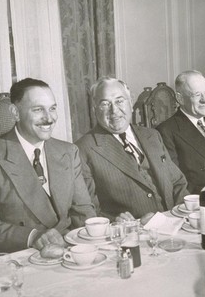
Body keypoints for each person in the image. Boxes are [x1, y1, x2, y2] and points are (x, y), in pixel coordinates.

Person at [0, 78, 97, 256]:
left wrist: (95, 242)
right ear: (15, 112)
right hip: (19, 258)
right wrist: (33, 237)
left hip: (68, 253)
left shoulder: (68, 151)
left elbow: (83, 212)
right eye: (38, 110)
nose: (49, 118)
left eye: (52, 108)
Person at [75, 77, 189, 224]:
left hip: (173, 224)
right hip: (131, 234)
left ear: (130, 102)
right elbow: (88, 210)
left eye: (119, 101)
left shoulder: (152, 136)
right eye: (105, 103)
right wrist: (115, 222)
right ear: (94, 109)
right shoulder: (83, 149)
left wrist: (181, 217)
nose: (114, 110)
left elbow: (178, 182)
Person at [157, 70, 205, 194]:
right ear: (180, 98)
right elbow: (174, 181)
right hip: (200, 201)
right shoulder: (166, 132)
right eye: (197, 95)